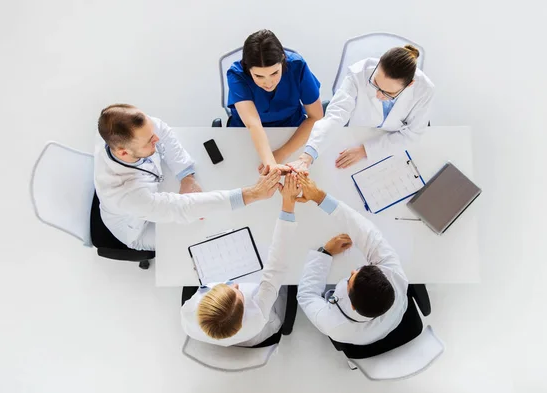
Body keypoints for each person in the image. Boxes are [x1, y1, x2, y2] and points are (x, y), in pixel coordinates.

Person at [94, 104, 282, 251]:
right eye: (149, 141)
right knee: (205, 235)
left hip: (155, 196)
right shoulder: (123, 192)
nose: (156, 139)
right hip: (139, 229)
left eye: (152, 134)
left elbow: (164, 131)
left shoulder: (132, 132)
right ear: (124, 153)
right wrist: (253, 194)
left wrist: (186, 176)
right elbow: (182, 208)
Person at [180, 174, 301, 347]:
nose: (234, 284)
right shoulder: (257, 314)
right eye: (238, 293)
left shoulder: (188, 313)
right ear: (244, 311)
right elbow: (277, 266)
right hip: (256, 333)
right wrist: (288, 203)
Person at [295, 173, 409, 345]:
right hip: (392, 321)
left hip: (366, 336)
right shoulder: (396, 277)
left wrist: (324, 253)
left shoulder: (334, 326)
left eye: (350, 279)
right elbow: (367, 232)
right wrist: (320, 197)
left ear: (352, 305)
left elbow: (306, 295)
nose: (353, 271)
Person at [288, 45, 434, 172]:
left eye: (388, 93)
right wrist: (308, 155)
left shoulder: (424, 90)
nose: (377, 94)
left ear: (409, 85)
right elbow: (336, 115)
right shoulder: (359, 73)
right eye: (375, 83)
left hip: (392, 150)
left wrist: (366, 150)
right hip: (354, 136)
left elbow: (412, 134)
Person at [227, 29, 324, 173]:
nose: (268, 83)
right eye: (259, 76)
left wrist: (281, 154)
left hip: (292, 130)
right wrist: (271, 164)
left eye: (274, 73)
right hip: (246, 134)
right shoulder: (237, 74)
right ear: (247, 68)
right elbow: (253, 124)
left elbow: (316, 116)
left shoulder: (297, 66)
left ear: (283, 60)